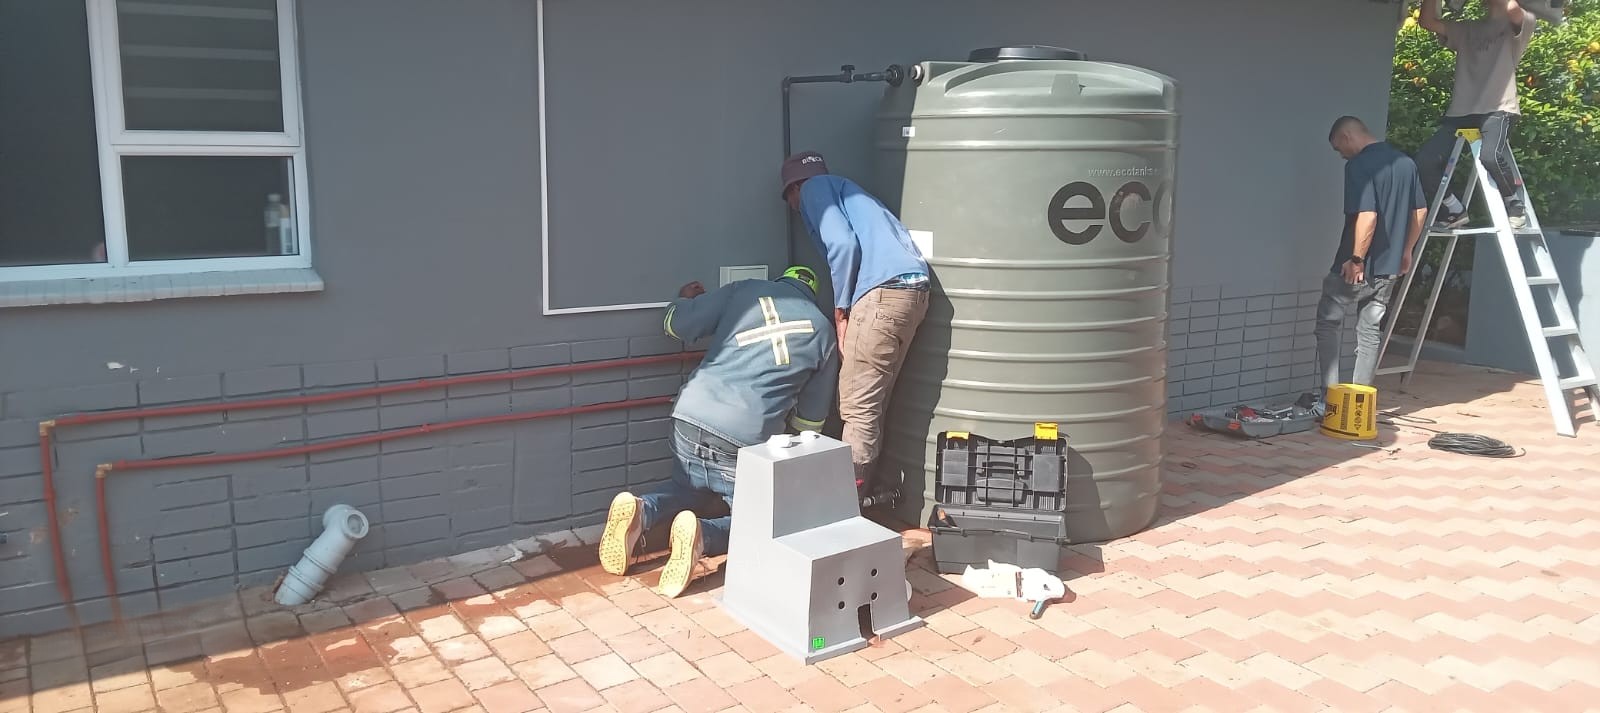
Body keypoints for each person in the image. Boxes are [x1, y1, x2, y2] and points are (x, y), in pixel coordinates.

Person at [598, 266, 838, 598]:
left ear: (782, 281)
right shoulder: (823, 331)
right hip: (743, 439)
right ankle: (702, 536)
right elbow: (810, 424)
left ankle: (643, 509)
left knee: (690, 486)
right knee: (760, 521)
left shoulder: (746, 291)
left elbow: (674, 325)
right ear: (812, 294)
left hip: (690, 417)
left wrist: (684, 301)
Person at [779, 151, 929, 496]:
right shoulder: (854, 193)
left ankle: (845, 504)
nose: (794, 208)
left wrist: (842, 309)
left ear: (794, 189)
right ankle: (865, 494)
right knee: (874, 402)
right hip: (914, 293)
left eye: (790, 200)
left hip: (880, 295)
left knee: (857, 405)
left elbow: (843, 245)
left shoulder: (815, 189)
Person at [1313, 116, 1430, 413]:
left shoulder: (1358, 166)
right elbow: (1420, 210)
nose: (1341, 154)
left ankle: (1330, 400)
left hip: (1355, 268)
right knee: (1369, 332)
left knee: (1328, 323)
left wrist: (1355, 259)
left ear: (1347, 136)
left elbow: (1368, 216)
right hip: (1389, 268)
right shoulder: (1405, 163)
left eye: (1339, 147)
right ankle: (1359, 406)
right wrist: (1406, 251)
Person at [1414, 0, 1537, 229]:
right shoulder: (1467, 29)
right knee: (1424, 161)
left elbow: (1511, 9)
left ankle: (1513, 202)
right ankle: (1453, 208)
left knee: (1490, 156)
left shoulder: (1523, 21)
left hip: (1498, 107)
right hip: (1462, 110)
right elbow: (1427, 22)